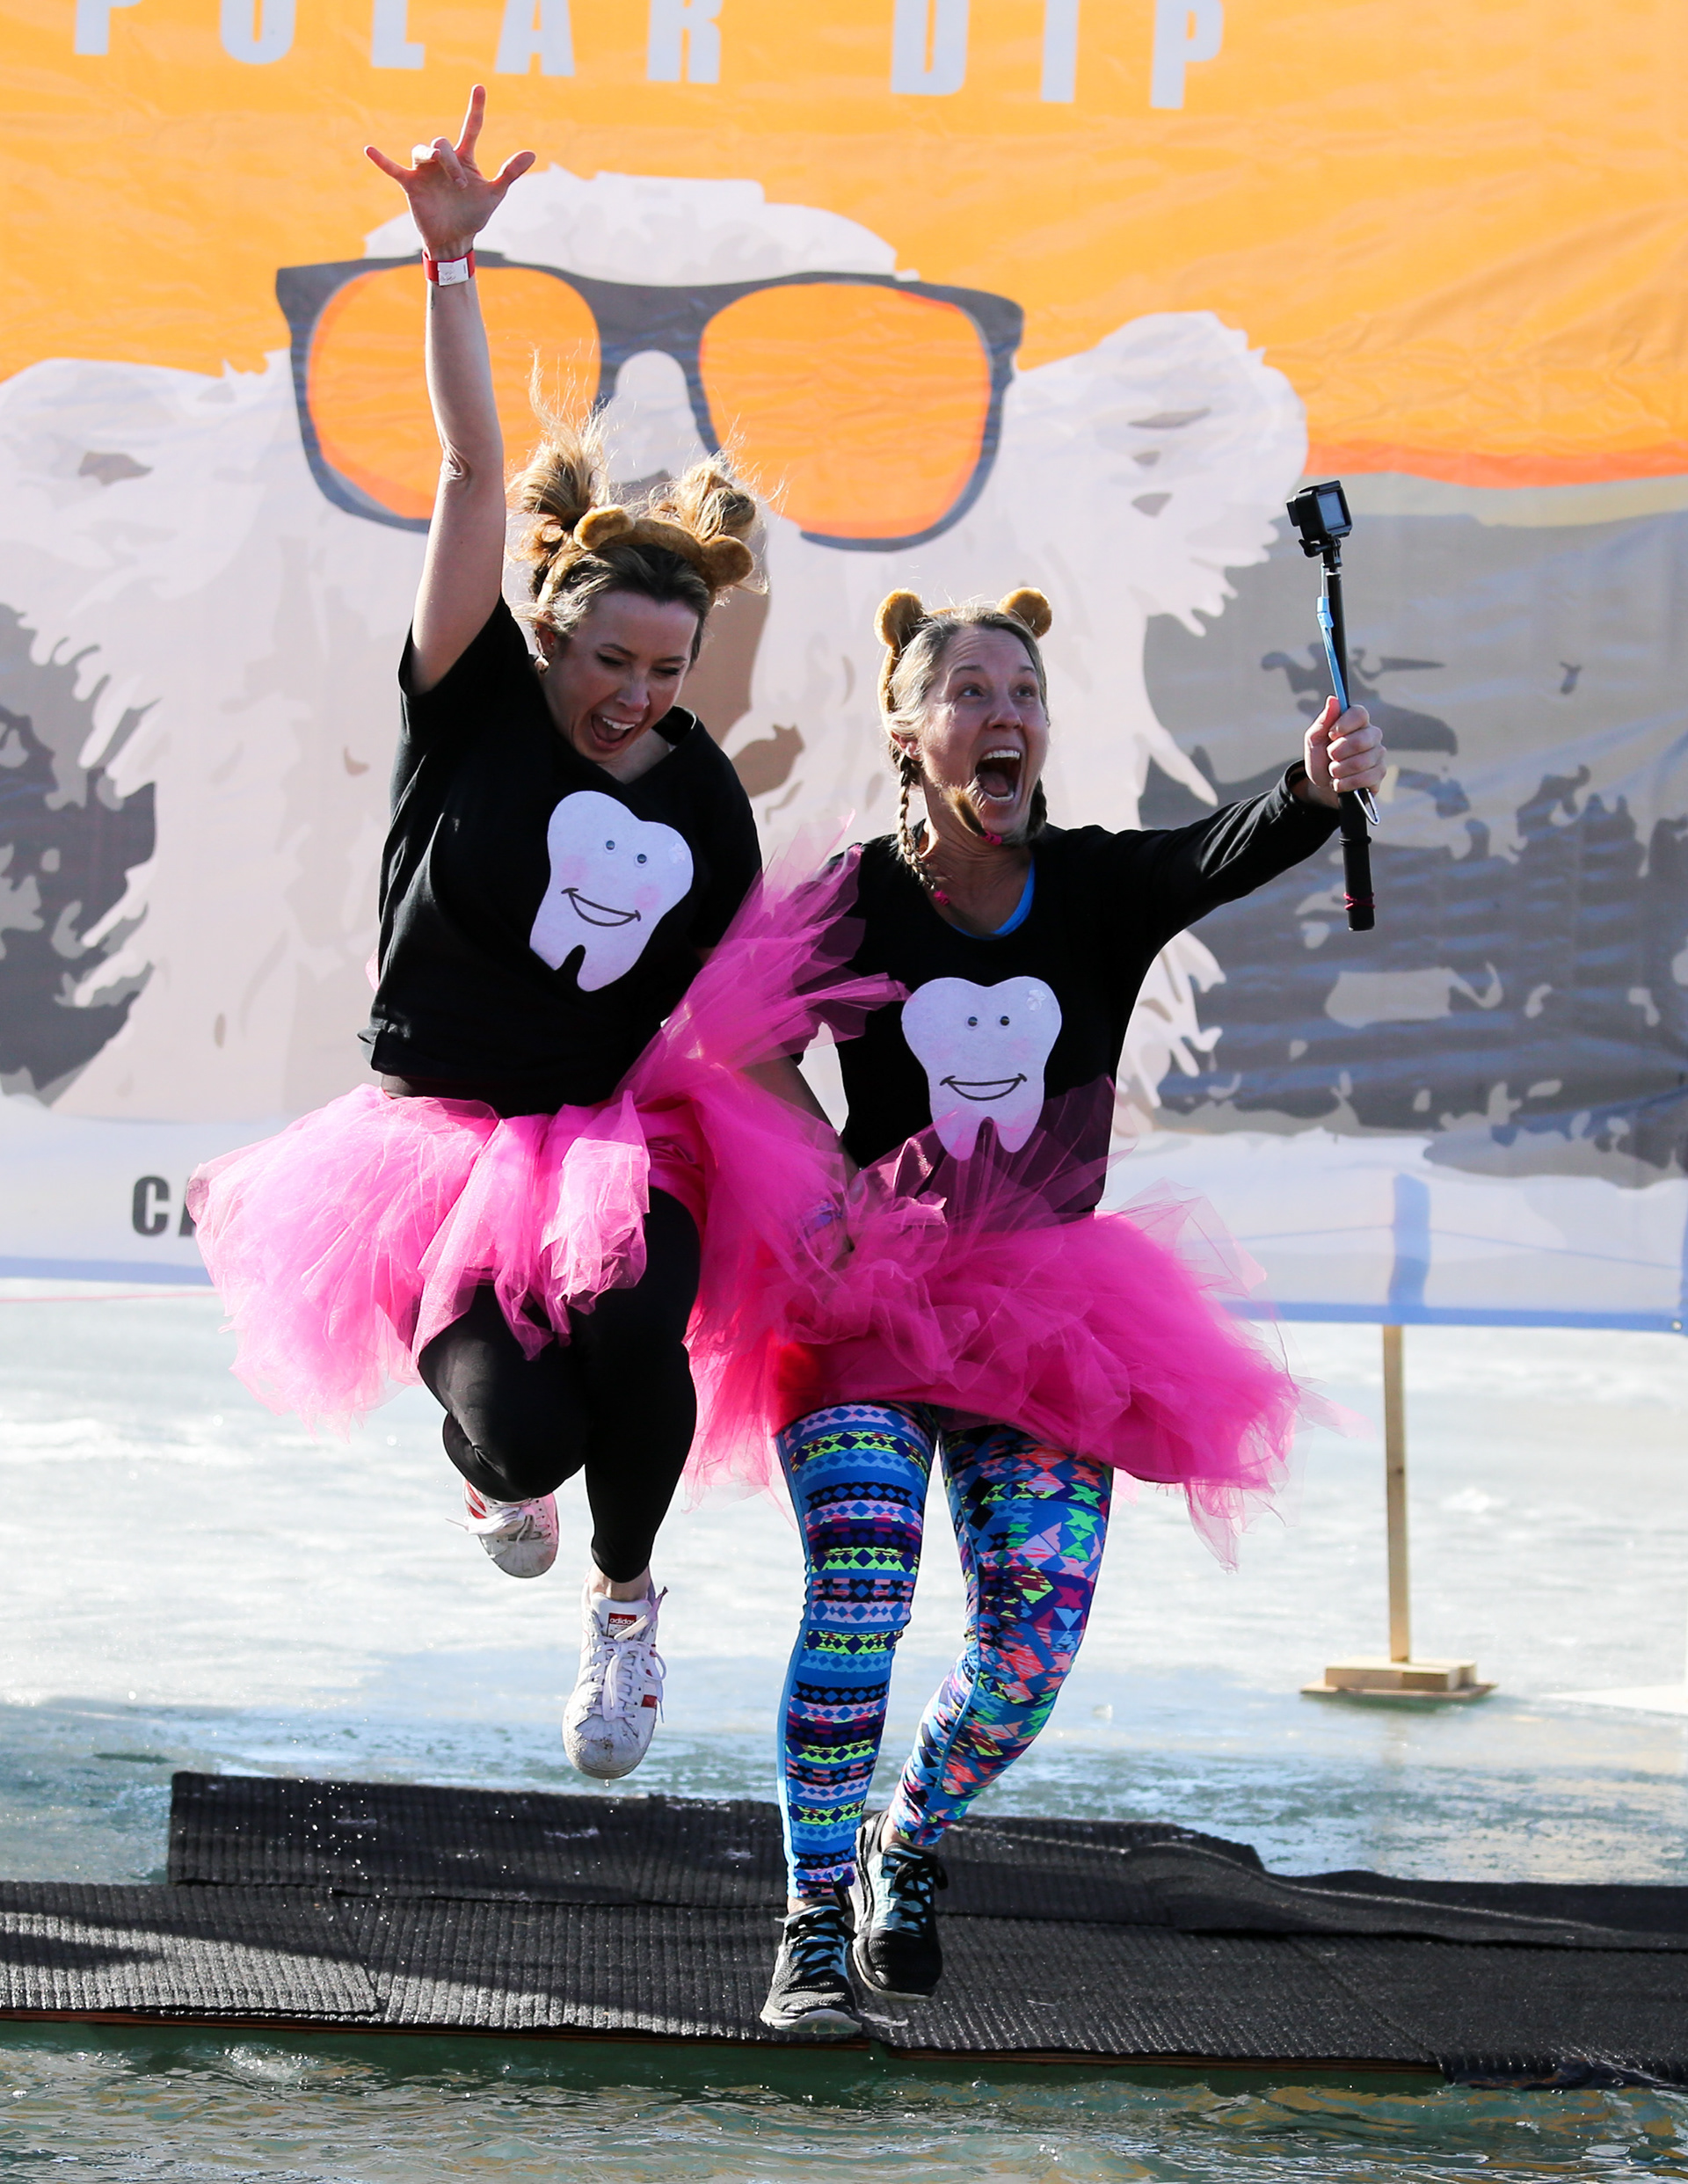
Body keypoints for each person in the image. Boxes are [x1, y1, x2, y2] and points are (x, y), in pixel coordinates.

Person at [188, 90, 871, 1785]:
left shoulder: (704, 800)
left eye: (667, 672)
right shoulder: (468, 702)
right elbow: (475, 468)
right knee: (525, 1436)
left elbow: (738, 1019)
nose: (635, 698)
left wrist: (831, 1162)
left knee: (641, 1324)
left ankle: (631, 1617)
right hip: (434, 1138)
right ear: (546, 632)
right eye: (607, 662)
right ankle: (500, 1483)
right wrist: (450, 263)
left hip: (606, 1139)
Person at [746, 586, 1388, 2035]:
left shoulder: (1096, 886)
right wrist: (824, 1186)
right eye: (970, 692)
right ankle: (805, 1922)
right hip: (868, 1307)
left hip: (1043, 1311)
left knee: (1031, 1646)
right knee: (860, 1588)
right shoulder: (855, 896)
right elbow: (738, 1036)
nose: (1005, 714)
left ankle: (907, 1844)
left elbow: (1226, 848)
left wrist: (1313, 783)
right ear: (910, 733)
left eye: (1025, 691)